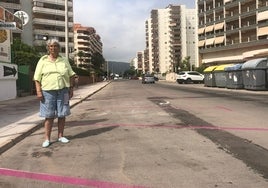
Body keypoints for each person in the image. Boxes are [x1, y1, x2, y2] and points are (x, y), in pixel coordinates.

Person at [33, 39, 76, 148]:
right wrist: (38, 91)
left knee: (62, 114)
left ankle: (60, 136)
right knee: (49, 116)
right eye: (51, 46)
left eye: (55, 46)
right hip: (48, 92)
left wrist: (71, 89)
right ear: (48, 48)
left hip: (63, 91)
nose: (53, 48)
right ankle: (47, 138)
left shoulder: (64, 60)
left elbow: (71, 75)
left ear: (59, 48)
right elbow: (37, 78)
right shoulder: (43, 60)